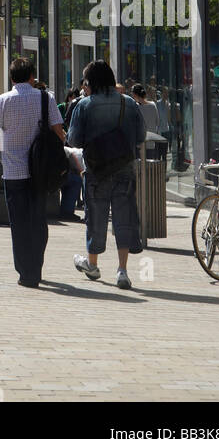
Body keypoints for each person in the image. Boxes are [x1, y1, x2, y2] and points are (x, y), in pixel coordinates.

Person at [68, 59, 146, 289]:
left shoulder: (84, 105)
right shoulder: (129, 103)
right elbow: (140, 136)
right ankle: (122, 270)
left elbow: (73, 139)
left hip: (96, 169)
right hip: (124, 168)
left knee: (96, 216)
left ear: (91, 81)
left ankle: (92, 264)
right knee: (124, 216)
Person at [0, 57, 65, 288]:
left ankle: (25, 272)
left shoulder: (2, 101)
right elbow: (58, 132)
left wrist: (3, 151)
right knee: (38, 221)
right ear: (32, 76)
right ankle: (36, 265)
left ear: (11, 78)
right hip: (40, 173)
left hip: (13, 172)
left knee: (19, 224)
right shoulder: (45, 98)